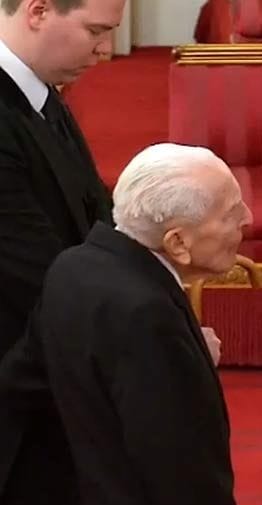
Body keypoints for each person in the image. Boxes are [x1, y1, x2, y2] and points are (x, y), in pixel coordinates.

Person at [11, 143, 251, 505]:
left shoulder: (72, 266)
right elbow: (183, 475)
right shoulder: (148, 317)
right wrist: (183, 359)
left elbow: (21, 384)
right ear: (178, 242)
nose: (246, 218)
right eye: (231, 213)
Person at [0, 0, 125, 502]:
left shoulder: (41, 95)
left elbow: (94, 213)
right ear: (38, 11)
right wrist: (151, 337)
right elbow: (38, 272)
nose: (106, 49)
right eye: (95, 30)